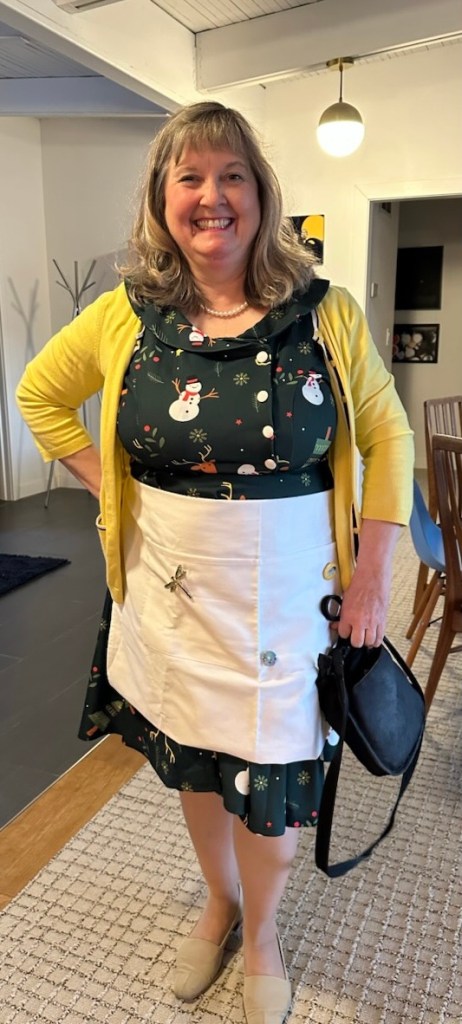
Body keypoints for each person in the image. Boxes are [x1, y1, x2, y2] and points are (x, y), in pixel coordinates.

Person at [16, 101, 414, 1024]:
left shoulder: (326, 314)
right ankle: (220, 902)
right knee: (196, 762)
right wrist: (107, 490)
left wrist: (372, 575)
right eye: (189, 177)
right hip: (171, 591)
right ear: (162, 200)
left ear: (261, 195)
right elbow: (40, 395)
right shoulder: (126, 314)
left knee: (271, 774)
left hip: (292, 597)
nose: (212, 195)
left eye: (232, 174)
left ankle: (264, 931)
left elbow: (389, 434)